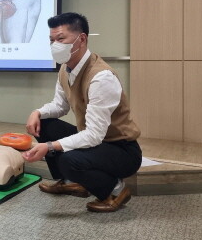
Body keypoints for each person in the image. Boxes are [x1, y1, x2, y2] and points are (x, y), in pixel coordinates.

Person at [22, 12, 142, 213]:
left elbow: (95, 135)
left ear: (82, 39)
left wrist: (50, 146)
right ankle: (73, 181)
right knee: (46, 124)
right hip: (97, 142)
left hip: (121, 149)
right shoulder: (66, 68)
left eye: (60, 39)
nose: (54, 45)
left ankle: (115, 189)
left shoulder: (101, 77)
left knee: (68, 160)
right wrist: (37, 112)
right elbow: (60, 106)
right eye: (51, 40)